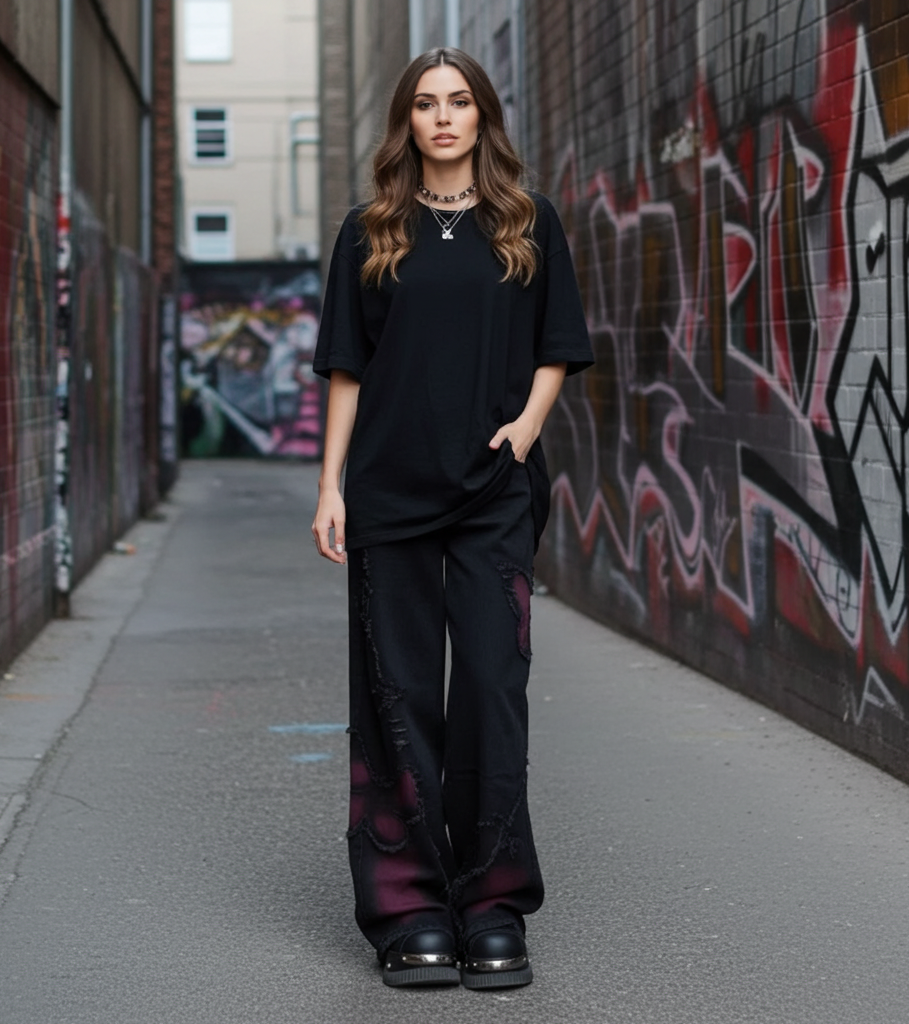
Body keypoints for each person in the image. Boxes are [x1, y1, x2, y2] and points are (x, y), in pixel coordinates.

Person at [311, 46, 593, 991]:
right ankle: (411, 910)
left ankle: (492, 904)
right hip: (388, 491)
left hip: (492, 490)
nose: (442, 117)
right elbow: (346, 367)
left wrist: (525, 428)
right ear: (408, 121)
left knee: (489, 687)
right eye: (426, 104)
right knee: (397, 698)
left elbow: (557, 345)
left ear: (482, 117)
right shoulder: (369, 232)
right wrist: (330, 485)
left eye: (458, 102)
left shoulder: (527, 224)